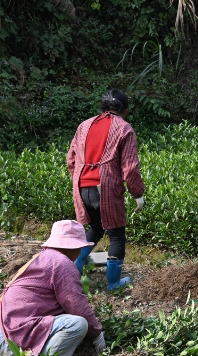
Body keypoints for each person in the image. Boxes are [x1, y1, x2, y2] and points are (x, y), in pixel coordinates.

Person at [0, 220, 106, 356]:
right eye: (79, 247)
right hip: (13, 340)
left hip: (2, 333)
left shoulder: (41, 258)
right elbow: (76, 305)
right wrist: (97, 332)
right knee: (77, 324)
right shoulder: (62, 263)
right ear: (71, 246)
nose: (79, 252)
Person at [67, 89, 145, 290]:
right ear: (125, 110)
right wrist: (138, 194)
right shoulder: (124, 128)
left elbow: (71, 160)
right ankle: (113, 283)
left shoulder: (84, 125)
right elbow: (130, 168)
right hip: (105, 188)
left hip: (82, 185)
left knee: (96, 227)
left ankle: (72, 272)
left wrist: (79, 182)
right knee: (117, 234)